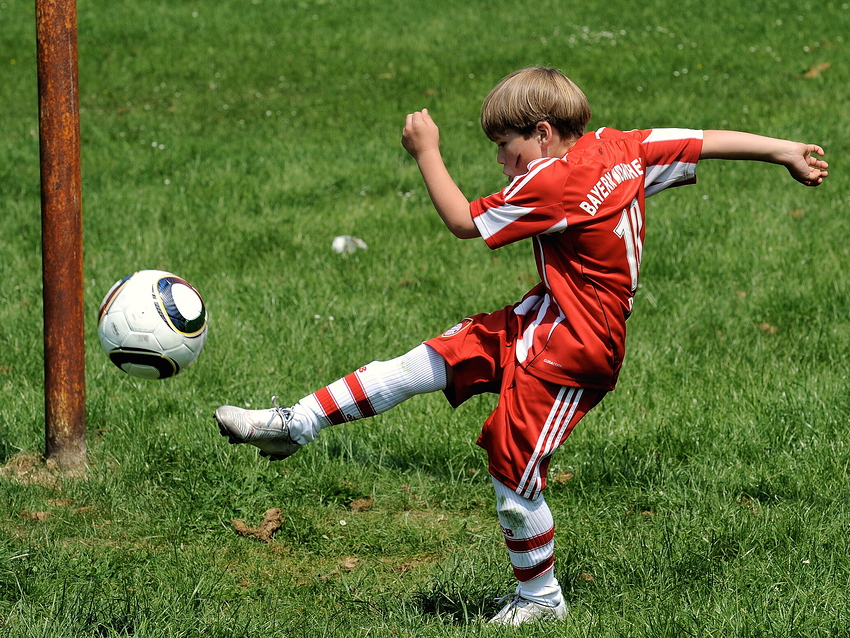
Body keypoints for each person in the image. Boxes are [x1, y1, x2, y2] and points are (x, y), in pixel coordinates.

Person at [214, 67, 828, 626]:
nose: (504, 163)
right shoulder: (620, 147)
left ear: (541, 131)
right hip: (542, 319)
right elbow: (701, 139)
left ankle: (541, 600)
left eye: (506, 148)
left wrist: (426, 152)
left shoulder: (551, 185)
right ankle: (293, 424)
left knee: (513, 471)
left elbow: (460, 219)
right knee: (425, 362)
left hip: (576, 350)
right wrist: (782, 151)